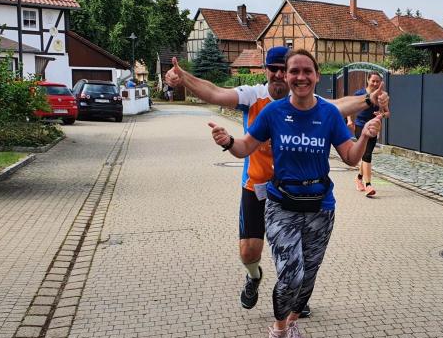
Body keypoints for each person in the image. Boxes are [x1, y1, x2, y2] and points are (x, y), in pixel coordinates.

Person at [164, 48, 387, 315]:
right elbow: (214, 92)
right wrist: (184, 77)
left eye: (285, 68)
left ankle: (293, 300)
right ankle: (254, 277)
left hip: (295, 194)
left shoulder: (308, 99)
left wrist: (369, 99)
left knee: (299, 256)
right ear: (266, 70)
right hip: (257, 186)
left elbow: (339, 105)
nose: (280, 74)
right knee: (249, 252)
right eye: (275, 69)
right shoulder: (254, 96)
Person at [209, 49, 382, 338]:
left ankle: (292, 323)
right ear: (286, 77)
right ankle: (277, 332)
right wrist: (228, 142)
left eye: (307, 71)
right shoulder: (273, 112)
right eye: (294, 71)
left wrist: (366, 136)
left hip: (320, 207)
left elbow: (350, 157)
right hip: (282, 205)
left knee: (307, 277)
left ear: (317, 76)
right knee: (291, 274)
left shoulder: (328, 114)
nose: (300, 77)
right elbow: (245, 147)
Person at [348, 72, 388, 197]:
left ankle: (359, 177)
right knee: (367, 154)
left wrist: (382, 114)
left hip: (373, 127)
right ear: (368, 80)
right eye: (373, 81)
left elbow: (387, 113)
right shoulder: (360, 94)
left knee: (367, 154)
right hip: (360, 126)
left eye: (377, 81)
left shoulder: (381, 96)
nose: (375, 83)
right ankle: (368, 185)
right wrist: (349, 121)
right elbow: (349, 108)